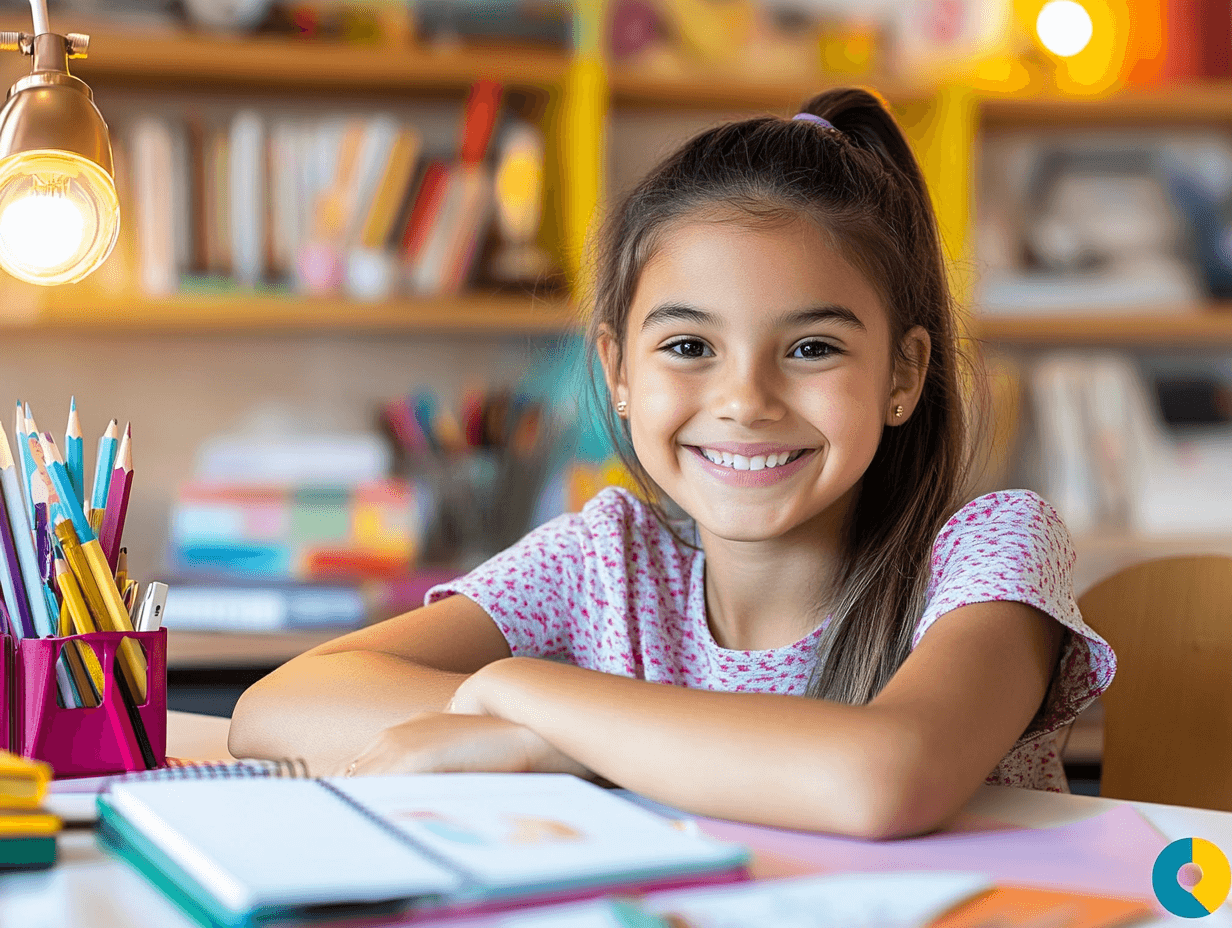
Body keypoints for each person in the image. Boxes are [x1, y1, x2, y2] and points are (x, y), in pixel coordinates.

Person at [228, 88, 1115, 840]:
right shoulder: (602, 561)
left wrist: (526, 708)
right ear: (618, 374)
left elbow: (883, 778)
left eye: (811, 349)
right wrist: (560, 732)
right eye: (690, 344)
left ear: (904, 374)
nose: (745, 399)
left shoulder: (991, 556)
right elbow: (278, 708)